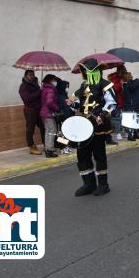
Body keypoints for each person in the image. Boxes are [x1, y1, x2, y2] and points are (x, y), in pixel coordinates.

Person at [67, 58, 117, 196]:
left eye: (92, 71)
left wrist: (103, 114)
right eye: (87, 71)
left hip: (98, 125)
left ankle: (103, 184)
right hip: (83, 125)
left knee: (99, 155)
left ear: (98, 71)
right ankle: (88, 184)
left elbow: (112, 104)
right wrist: (71, 103)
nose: (89, 74)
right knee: (82, 154)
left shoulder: (105, 85)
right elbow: (78, 103)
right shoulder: (83, 86)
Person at [19, 70, 45, 155]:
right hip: (30, 110)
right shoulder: (23, 86)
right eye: (30, 75)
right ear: (26, 76)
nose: (32, 76)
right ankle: (31, 147)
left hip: (39, 110)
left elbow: (39, 95)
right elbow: (27, 98)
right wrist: (39, 91)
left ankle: (46, 143)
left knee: (43, 127)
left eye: (33, 75)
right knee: (30, 129)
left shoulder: (35, 84)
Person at [122, 72, 139, 141]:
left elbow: (126, 96)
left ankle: (131, 136)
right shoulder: (138, 83)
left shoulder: (126, 86)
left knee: (132, 121)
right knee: (138, 120)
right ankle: (136, 134)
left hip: (132, 105)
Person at [40, 74, 59, 158]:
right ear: (50, 80)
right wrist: (56, 108)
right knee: (53, 131)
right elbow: (49, 102)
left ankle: (47, 149)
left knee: (48, 131)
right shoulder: (50, 89)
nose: (55, 82)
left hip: (44, 112)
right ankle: (50, 150)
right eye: (54, 80)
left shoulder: (44, 88)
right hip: (49, 113)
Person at [107, 65, 127, 143]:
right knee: (117, 118)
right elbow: (114, 89)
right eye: (123, 70)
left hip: (123, 100)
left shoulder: (122, 78)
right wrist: (120, 84)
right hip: (117, 101)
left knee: (124, 117)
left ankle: (124, 132)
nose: (125, 72)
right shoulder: (115, 78)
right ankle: (118, 133)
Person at [55, 78, 75, 154]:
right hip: (62, 118)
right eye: (66, 87)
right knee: (62, 134)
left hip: (66, 117)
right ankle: (62, 148)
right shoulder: (60, 97)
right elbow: (61, 108)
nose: (67, 88)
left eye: (68, 86)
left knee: (66, 134)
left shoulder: (64, 95)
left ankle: (65, 146)